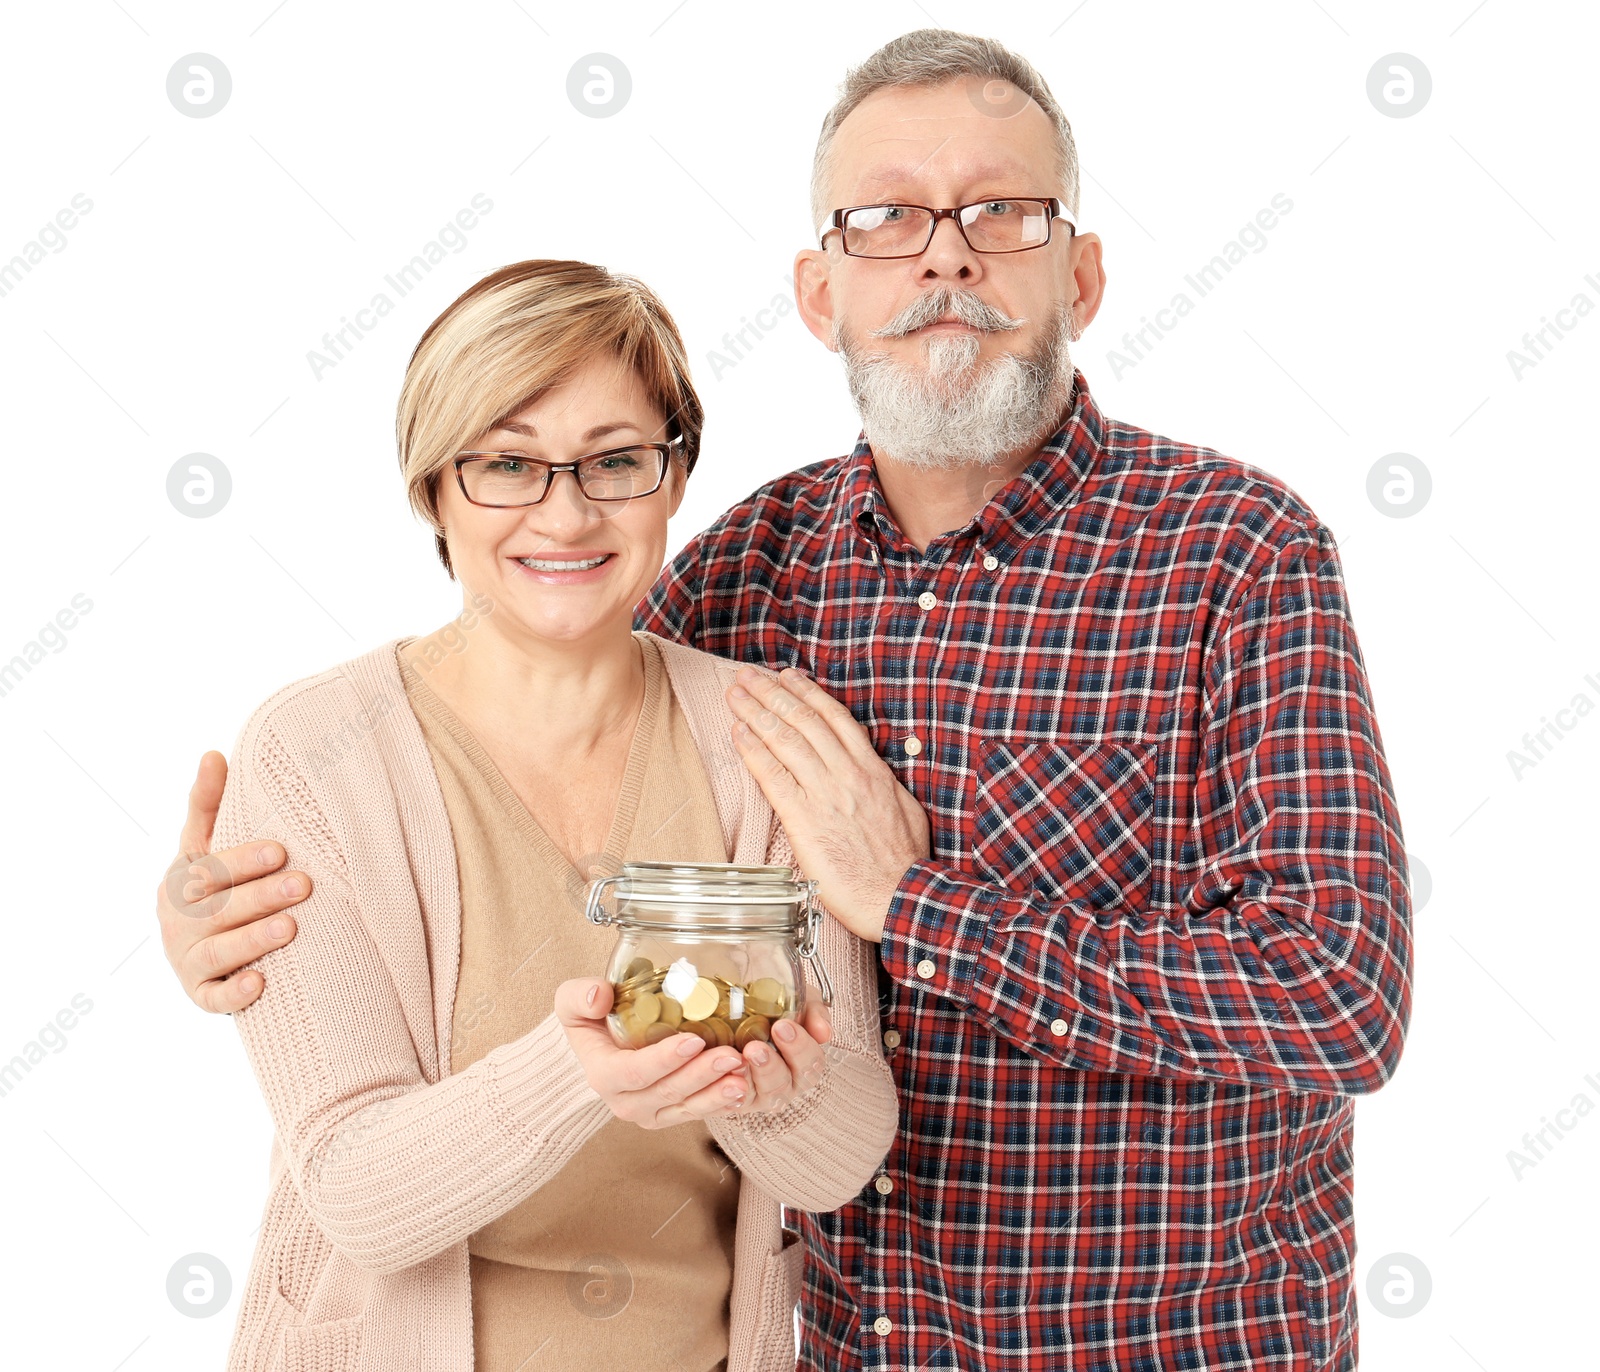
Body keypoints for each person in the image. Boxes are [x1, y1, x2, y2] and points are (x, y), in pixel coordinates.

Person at [158, 30, 1413, 1372]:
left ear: (1083, 275)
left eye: (1003, 212)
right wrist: (233, 940)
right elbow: (520, 704)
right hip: (839, 1346)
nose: (945, 255)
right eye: (887, 220)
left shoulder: (1233, 554)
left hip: (1151, 1345)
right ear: (820, 296)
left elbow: (1342, 996)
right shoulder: (752, 575)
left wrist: (920, 910)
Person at [193, 257, 898, 1372]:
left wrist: (778, 1091)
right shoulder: (317, 753)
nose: (564, 512)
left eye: (615, 461)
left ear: (673, 479)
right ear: (433, 489)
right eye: (507, 465)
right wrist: (585, 1069)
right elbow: (358, 1194)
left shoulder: (765, 743)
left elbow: (839, 1160)